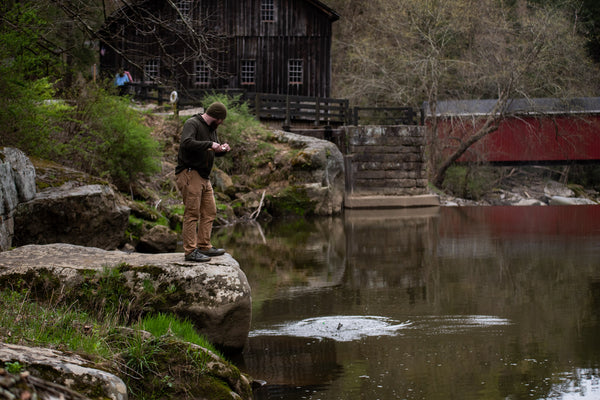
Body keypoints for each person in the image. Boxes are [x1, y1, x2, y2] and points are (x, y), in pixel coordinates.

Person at [175, 102, 231, 262]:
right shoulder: (192, 123)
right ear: (216, 116)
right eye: (221, 120)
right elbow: (186, 142)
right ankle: (190, 251)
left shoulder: (212, 129)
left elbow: (212, 150)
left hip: (204, 176)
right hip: (190, 173)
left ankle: (204, 245)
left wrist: (221, 149)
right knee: (192, 213)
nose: (221, 123)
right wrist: (210, 144)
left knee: (210, 211)